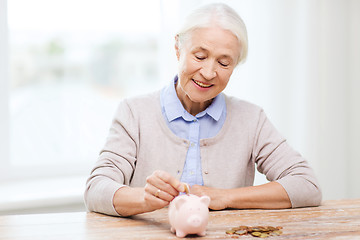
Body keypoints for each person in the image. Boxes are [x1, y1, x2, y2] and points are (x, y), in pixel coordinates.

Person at [84, 3, 322, 217]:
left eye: (223, 62)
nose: (208, 73)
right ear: (178, 48)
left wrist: (225, 197)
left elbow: (306, 186)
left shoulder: (251, 119)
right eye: (200, 56)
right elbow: (96, 189)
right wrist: (145, 199)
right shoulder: (134, 113)